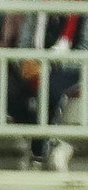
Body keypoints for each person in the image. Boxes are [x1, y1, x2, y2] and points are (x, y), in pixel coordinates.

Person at [7, 6, 87, 171]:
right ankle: (48, 144)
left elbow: (84, 50)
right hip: (35, 67)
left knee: (50, 89)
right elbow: (24, 44)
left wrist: (49, 66)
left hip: (70, 68)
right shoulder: (37, 8)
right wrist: (25, 62)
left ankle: (40, 151)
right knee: (7, 89)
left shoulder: (83, 10)